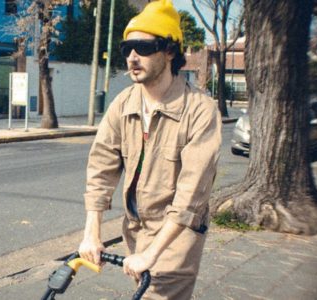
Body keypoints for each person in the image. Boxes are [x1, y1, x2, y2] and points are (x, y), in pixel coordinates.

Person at [78, 1, 222, 299]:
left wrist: (154, 252)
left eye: (143, 48)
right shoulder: (124, 103)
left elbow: (191, 194)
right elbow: (101, 168)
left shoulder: (200, 110)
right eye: (127, 48)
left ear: (170, 51)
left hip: (177, 235)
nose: (133, 57)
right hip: (135, 228)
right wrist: (92, 232)